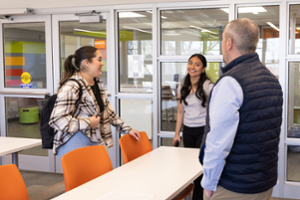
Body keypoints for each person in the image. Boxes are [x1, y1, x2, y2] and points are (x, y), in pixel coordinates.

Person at [200, 18, 283, 200]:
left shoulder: (230, 82)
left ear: (229, 43)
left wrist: (208, 184)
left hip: (234, 186)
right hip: (263, 182)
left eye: (222, 39)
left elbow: (218, 142)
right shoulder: (271, 79)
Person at [49, 46, 140, 159]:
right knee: (87, 177)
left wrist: (127, 129)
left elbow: (108, 113)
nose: (102, 63)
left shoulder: (97, 84)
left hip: (96, 139)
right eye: (99, 59)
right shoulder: (72, 86)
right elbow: (57, 120)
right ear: (87, 63)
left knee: (102, 175)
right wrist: (88, 122)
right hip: (75, 141)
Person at [172, 53, 213, 200]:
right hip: (188, 131)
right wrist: (177, 133)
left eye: (197, 64)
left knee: (200, 167)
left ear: (203, 69)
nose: (192, 67)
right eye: (190, 63)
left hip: (203, 131)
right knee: (190, 167)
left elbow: (215, 111)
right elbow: (180, 112)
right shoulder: (182, 86)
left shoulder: (208, 86)